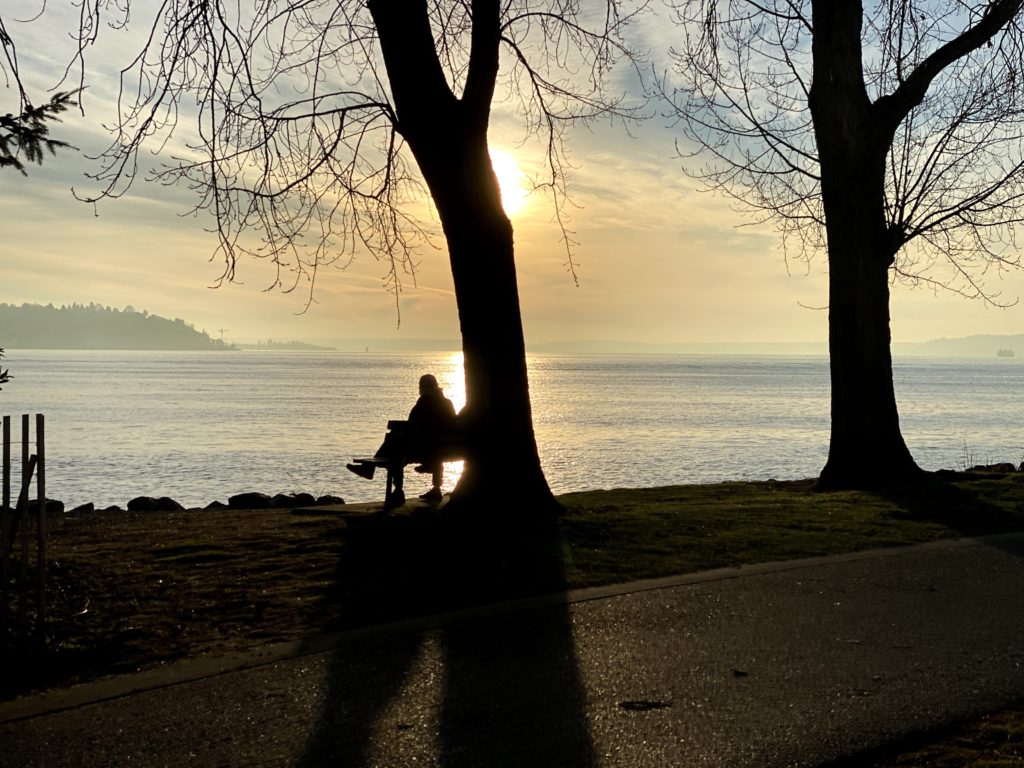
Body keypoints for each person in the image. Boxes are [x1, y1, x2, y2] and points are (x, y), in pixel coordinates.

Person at [347, 373, 457, 508]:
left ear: (422, 388)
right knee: (398, 441)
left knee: (394, 446)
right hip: (443, 449)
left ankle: (396, 489)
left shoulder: (423, 402)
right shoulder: (448, 403)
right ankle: (436, 489)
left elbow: (411, 424)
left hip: (423, 450)